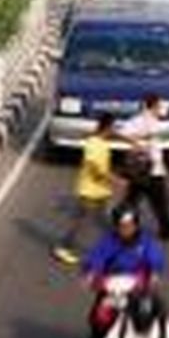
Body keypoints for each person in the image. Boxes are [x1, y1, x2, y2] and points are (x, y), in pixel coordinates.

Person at [55, 113, 122, 264]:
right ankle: (63, 248)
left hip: (101, 190)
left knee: (104, 221)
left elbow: (117, 136)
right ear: (107, 127)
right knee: (81, 223)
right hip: (89, 191)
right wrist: (116, 180)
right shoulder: (93, 144)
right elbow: (94, 168)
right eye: (113, 128)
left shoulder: (102, 142)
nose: (114, 132)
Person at [121, 95, 169, 242]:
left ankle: (125, 225)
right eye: (158, 106)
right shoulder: (142, 121)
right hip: (149, 170)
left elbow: (123, 132)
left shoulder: (147, 121)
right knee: (160, 204)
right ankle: (167, 231)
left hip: (147, 169)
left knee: (132, 201)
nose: (160, 109)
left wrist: (136, 142)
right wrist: (141, 139)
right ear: (152, 106)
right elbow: (123, 133)